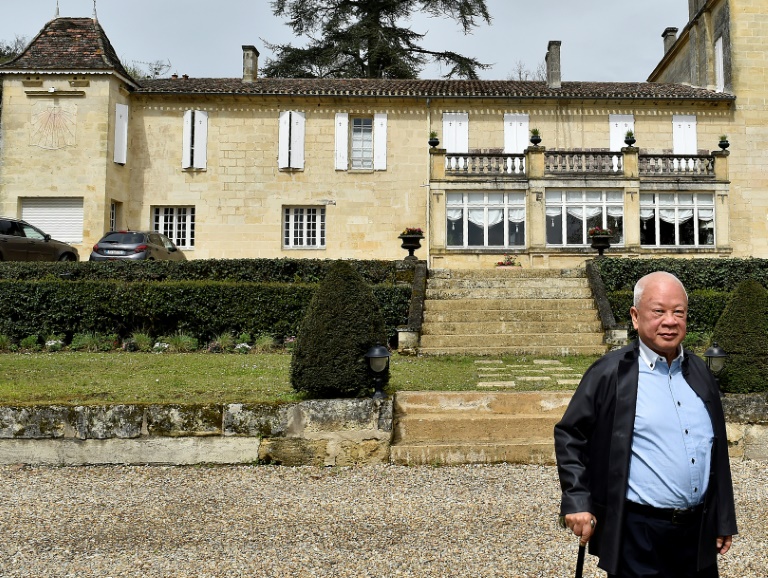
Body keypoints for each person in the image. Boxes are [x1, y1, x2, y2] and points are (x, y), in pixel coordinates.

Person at [554, 271, 737, 577]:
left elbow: (716, 452)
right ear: (636, 317)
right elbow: (571, 435)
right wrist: (577, 500)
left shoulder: (701, 374)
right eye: (659, 311)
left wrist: (722, 518)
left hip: (697, 534)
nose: (670, 321)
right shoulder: (610, 372)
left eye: (679, 312)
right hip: (638, 535)